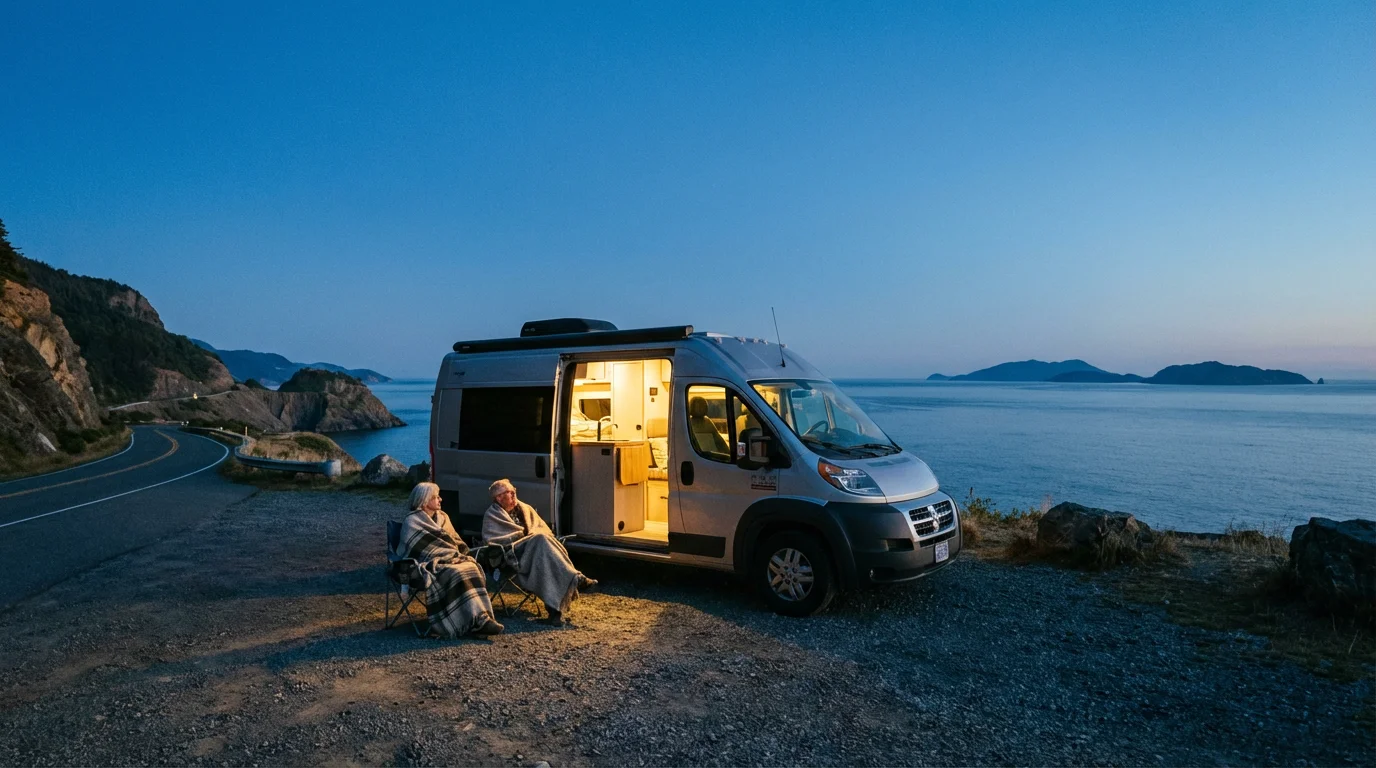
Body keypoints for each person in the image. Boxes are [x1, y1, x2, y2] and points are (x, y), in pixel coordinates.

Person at [482, 478, 597, 625]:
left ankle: (555, 612)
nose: (514, 495)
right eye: (509, 493)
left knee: (543, 554)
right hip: (514, 557)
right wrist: (526, 539)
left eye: (514, 491)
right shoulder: (492, 515)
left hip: (537, 552)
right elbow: (494, 542)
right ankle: (575, 578)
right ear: (499, 498)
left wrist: (533, 538)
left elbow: (543, 529)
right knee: (540, 541)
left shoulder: (525, 508)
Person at [400, 482, 504, 638]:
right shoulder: (412, 521)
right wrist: (443, 556)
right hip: (426, 564)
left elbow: (455, 541)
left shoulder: (443, 517)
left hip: (451, 559)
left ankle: (480, 618)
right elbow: (414, 550)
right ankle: (468, 622)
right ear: (424, 500)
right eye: (436, 497)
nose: (441, 499)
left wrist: (458, 553)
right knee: (456, 572)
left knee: (471, 566)